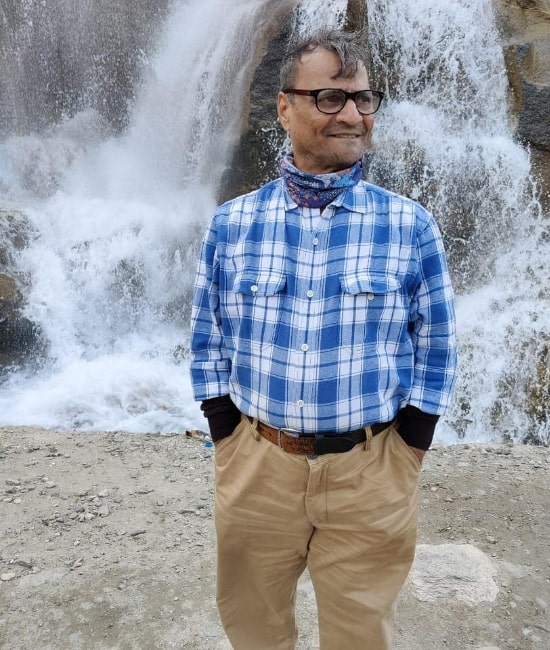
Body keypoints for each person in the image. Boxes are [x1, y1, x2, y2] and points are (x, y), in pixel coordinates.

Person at [190, 27, 457, 650]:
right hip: (258, 463)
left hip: (371, 469)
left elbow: (437, 344)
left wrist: (409, 448)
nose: (352, 115)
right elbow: (207, 336)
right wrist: (227, 435)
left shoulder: (410, 226)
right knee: (252, 625)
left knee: (361, 633)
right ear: (285, 107)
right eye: (330, 98)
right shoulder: (233, 225)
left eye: (363, 99)